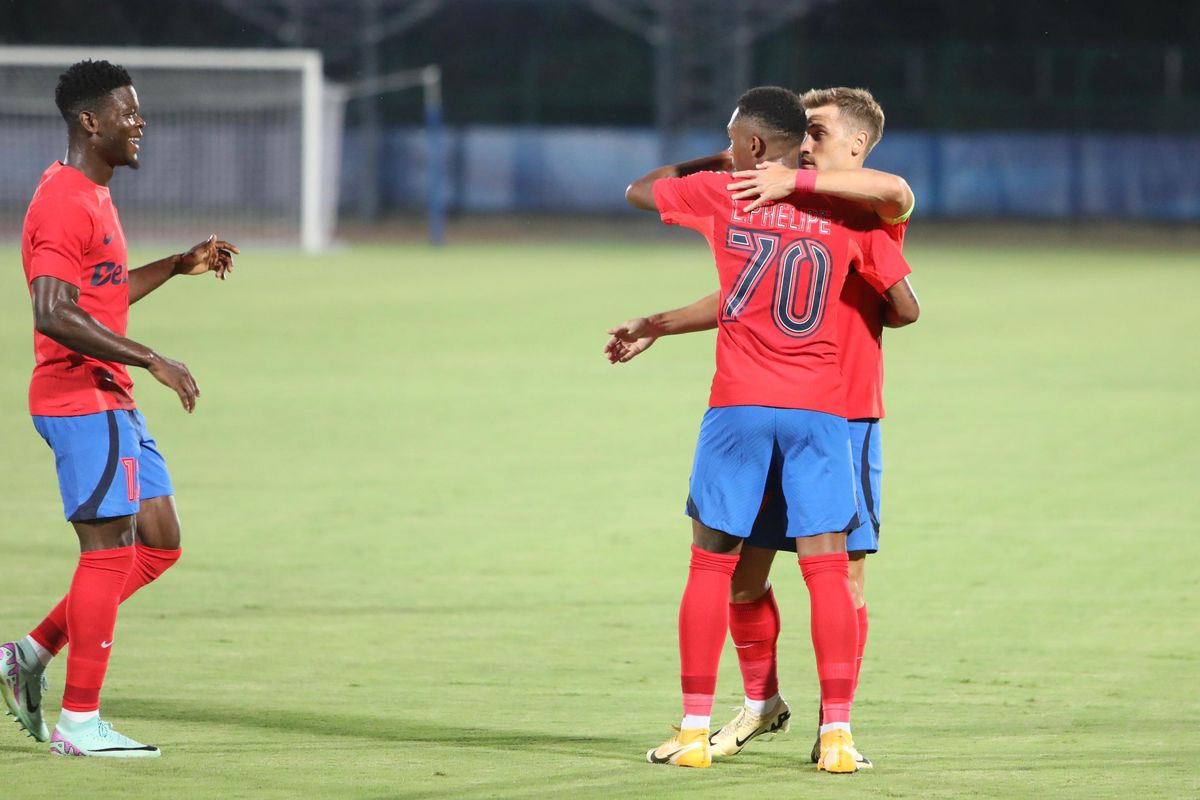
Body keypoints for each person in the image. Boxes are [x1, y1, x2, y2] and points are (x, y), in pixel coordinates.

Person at [607, 87, 917, 767]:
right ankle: (764, 705)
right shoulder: (834, 214)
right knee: (767, 578)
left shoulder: (853, 200)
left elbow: (896, 214)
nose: (806, 144)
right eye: (800, 134)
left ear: (855, 145)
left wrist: (756, 166)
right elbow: (755, 290)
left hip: (832, 409)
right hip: (816, 410)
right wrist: (659, 321)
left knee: (763, 568)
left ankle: (816, 726)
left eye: (819, 132)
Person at [1, 59, 237, 758]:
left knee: (158, 542)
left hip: (109, 399)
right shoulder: (65, 201)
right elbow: (52, 312)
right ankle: (79, 722)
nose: (141, 124)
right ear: (89, 122)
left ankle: (28, 655)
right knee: (107, 554)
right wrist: (152, 358)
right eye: (128, 114)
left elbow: (98, 293)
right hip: (82, 400)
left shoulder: (91, 193)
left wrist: (175, 265)